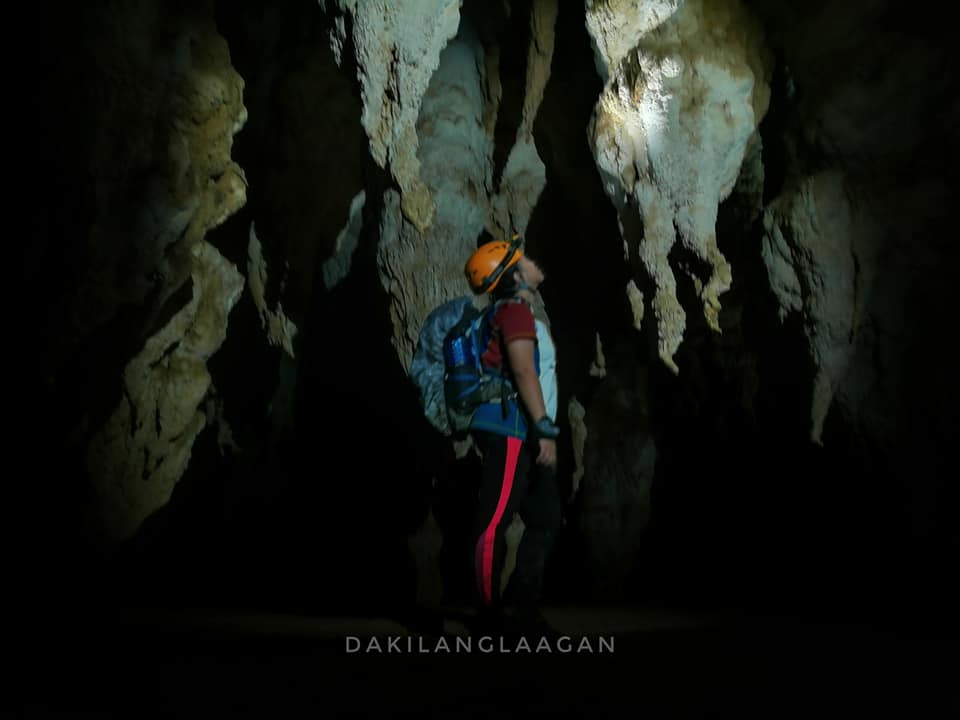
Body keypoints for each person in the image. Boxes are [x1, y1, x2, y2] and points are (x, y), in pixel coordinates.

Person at [462, 235, 562, 634]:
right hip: (510, 427)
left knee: (545, 516)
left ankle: (524, 605)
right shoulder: (514, 314)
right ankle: (489, 615)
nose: (532, 260)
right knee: (494, 521)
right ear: (514, 275)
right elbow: (523, 371)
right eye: (523, 258)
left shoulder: (511, 311)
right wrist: (544, 428)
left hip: (516, 427)